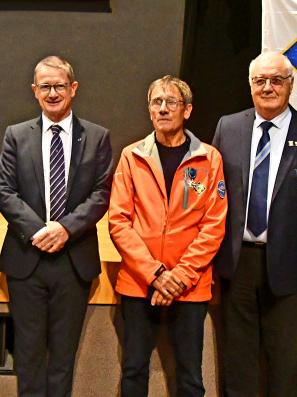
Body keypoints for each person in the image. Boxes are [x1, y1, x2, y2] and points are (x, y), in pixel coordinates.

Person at [212, 51, 297, 396]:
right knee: (238, 359)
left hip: (289, 266)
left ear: (290, 85)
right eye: (260, 81)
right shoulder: (229, 126)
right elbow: (213, 195)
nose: (268, 87)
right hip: (236, 263)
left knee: (282, 360)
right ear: (250, 85)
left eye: (276, 80)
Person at [0, 55, 113, 396]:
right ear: (34, 91)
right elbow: (3, 189)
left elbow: (102, 193)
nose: (53, 92)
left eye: (59, 85)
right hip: (26, 260)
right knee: (28, 357)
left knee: (63, 357)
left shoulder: (97, 136)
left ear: (73, 88)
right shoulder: (16, 135)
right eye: (45, 86)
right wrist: (39, 231)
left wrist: (64, 229)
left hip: (73, 261)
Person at [108, 75, 227, 396]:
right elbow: (119, 222)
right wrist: (156, 274)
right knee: (133, 369)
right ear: (149, 110)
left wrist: (180, 276)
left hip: (190, 285)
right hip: (139, 283)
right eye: (156, 102)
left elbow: (214, 225)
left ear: (187, 110)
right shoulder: (131, 156)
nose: (163, 109)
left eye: (171, 102)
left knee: (190, 376)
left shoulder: (209, 158)